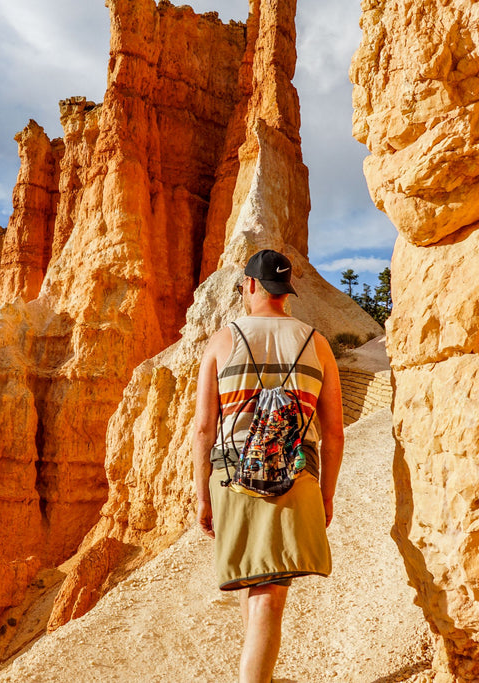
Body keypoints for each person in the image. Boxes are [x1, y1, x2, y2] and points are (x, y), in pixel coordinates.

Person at [192, 249, 344, 683]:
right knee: (265, 592)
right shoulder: (316, 342)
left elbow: (204, 429)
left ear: (253, 286)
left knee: (257, 589)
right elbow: (334, 433)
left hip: (232, 478)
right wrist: (326, 493)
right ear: (284, 291)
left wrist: (202, 496)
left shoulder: (223, 340)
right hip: (298, 475)